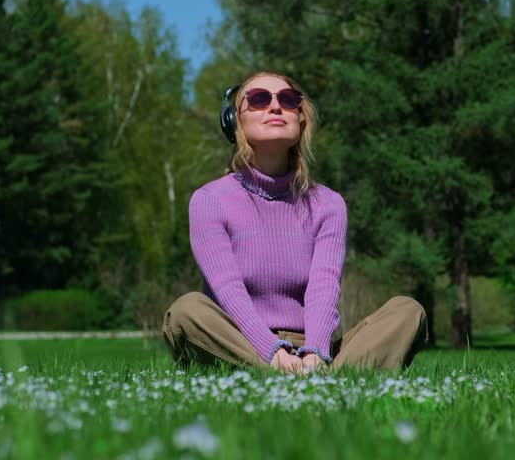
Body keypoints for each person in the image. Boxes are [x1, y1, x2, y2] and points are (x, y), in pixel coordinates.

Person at [162, 72, 428, 374]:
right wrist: (273, 354)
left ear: (301, 120)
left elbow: (323, 288)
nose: (275, 106)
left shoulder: (327, 204)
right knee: (186, 311)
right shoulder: (209, 199)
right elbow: (227, 290)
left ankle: (307, 378)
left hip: (311, 351)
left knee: (407, 311)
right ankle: (305, 380)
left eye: (288, 100)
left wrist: (315, 353)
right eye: (259, 99)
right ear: (234, 121)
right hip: (239, 343)